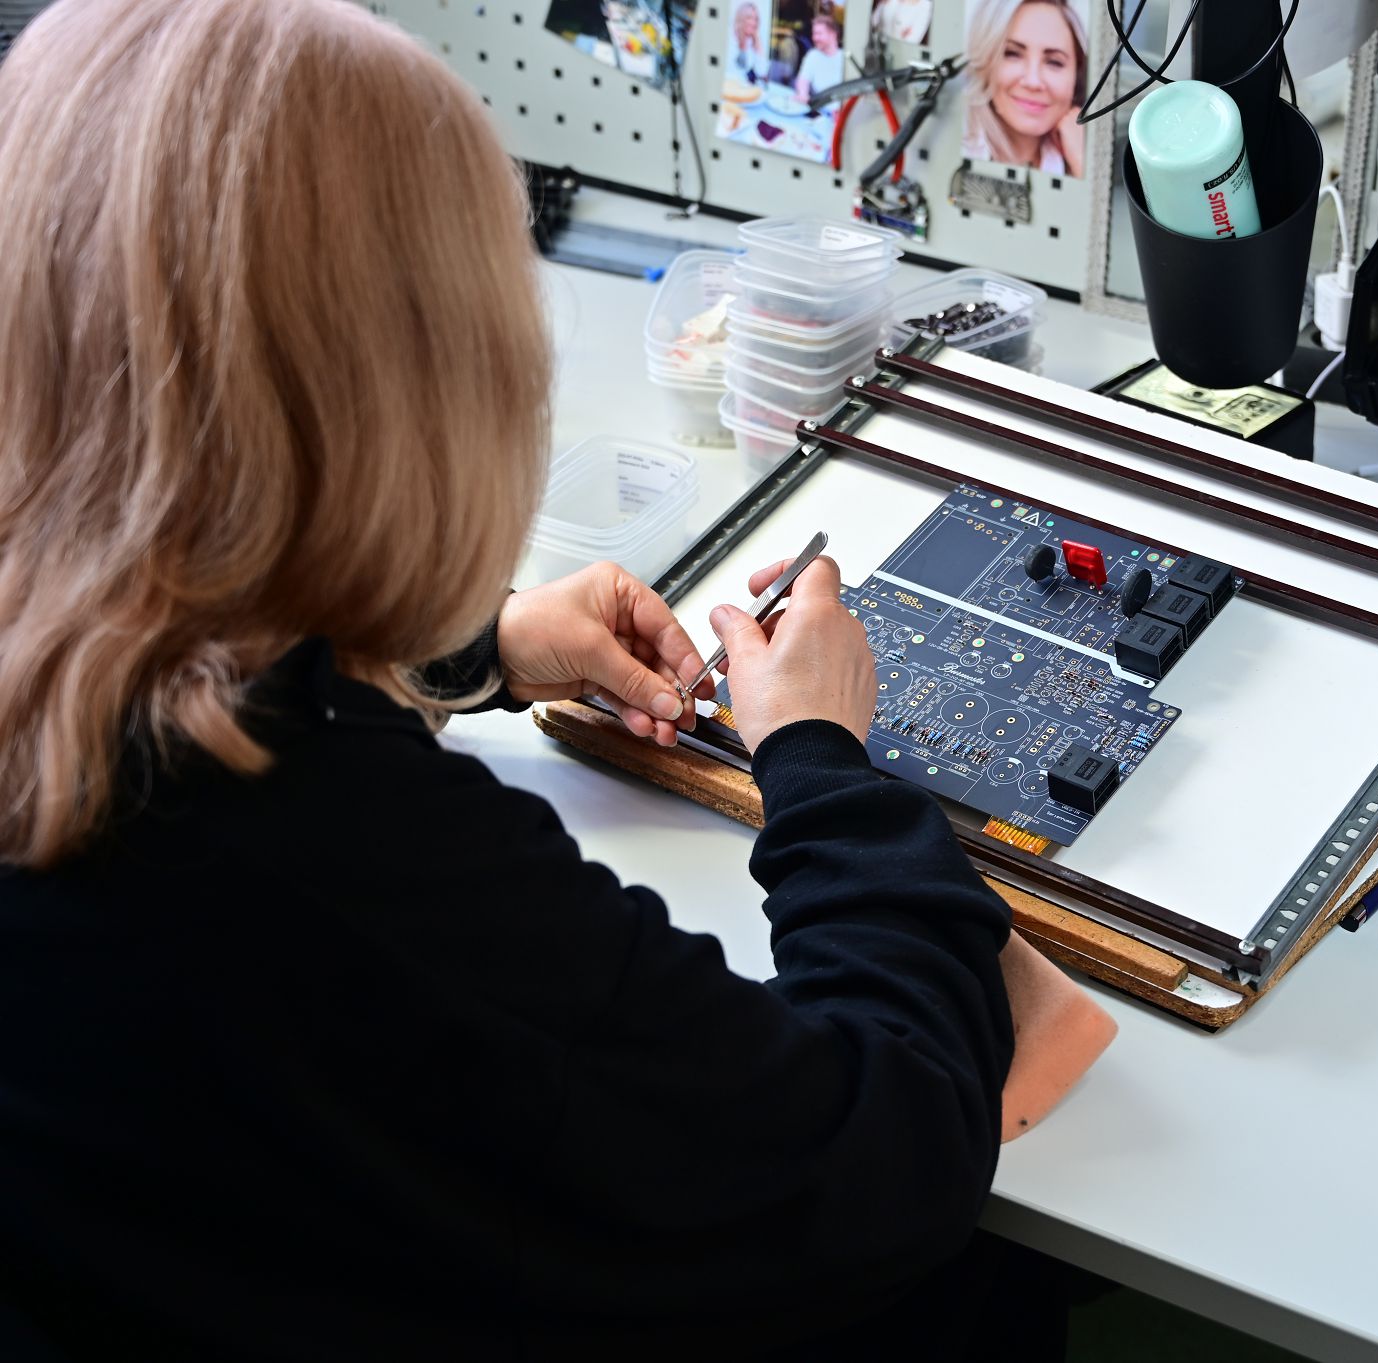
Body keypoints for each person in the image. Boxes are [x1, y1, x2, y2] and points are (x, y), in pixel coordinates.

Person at [0, 1, 1014, 1359]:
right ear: (429, 390)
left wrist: (470, 645)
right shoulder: (351, 863)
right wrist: (823, 759)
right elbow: (887, 1153)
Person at [960, 0, 1087, 176]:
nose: (1033, 82)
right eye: (1013, 54)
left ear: (1077, 75)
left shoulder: (1080, 156)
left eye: (1054, 62)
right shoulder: (949, 144)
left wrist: (1082, 162)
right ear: (985, 60)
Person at [792, 7, 844, 105]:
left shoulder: (844, 57)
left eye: (819, 34)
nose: (814, 38)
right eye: (814, 34)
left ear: (833, 34)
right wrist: (803, 94)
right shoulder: (813, 55)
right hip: (820, 108)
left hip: (842, 110)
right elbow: (803, 80)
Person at [729, 0, 766, 82]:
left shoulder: (752, 42)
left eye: (756, 19)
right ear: (740, 18)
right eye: (749, 18)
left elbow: (762, 72)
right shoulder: (730, 38)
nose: (753, 23)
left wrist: (758, 42)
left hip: (742, 86)